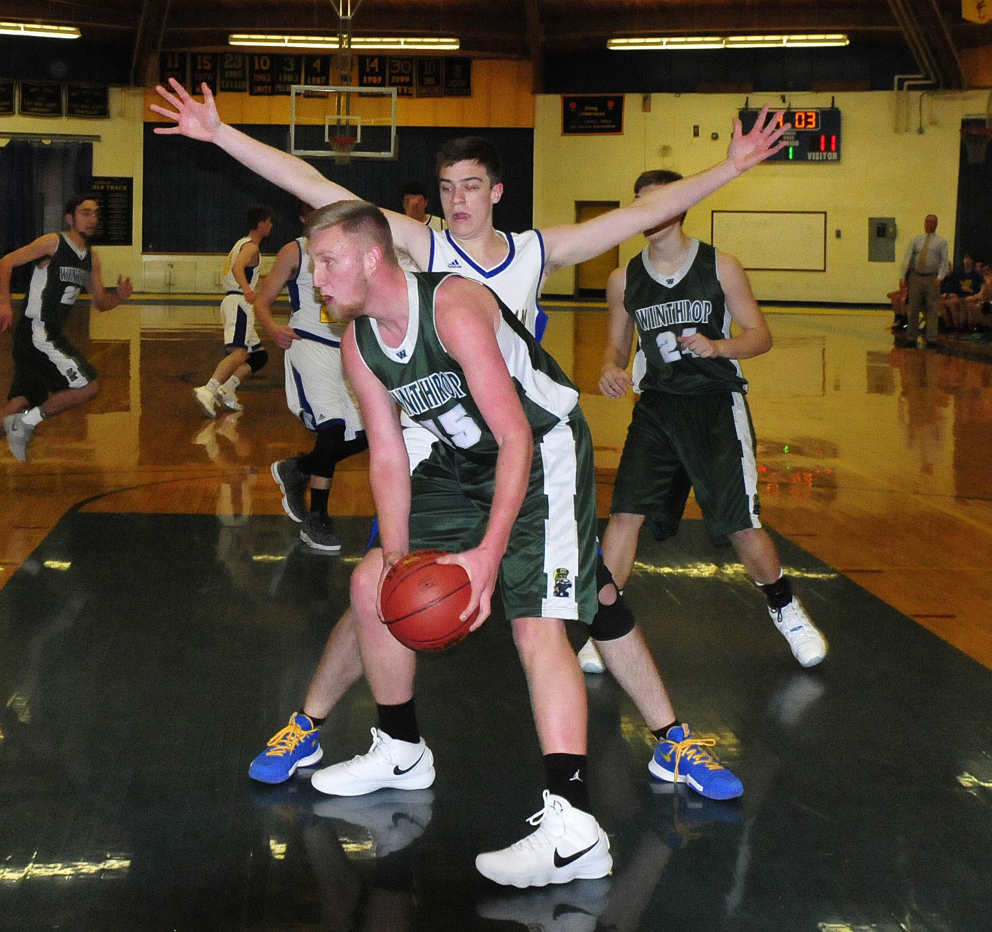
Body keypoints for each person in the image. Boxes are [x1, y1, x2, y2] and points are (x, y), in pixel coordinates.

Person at [150, 79, 788, 800]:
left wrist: (731, 167)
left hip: (527, 448)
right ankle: (318, 723)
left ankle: (670, 740)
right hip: (440, 454)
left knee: (595, 598)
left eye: (471, 187)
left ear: (496, 192)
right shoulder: (416, 243)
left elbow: (642, 211)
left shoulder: (536, 253)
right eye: (448, 186)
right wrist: (220, 134)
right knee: (380, 589)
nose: (457, 201)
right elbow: (316, 184)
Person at [309, 199, 610, 888]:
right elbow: (386, 455)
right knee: (369, 586)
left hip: (543, 451)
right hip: (460, 460)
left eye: (327, 262)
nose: (316, 278)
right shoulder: (358, 342)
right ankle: (400, 748)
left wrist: (485, 556)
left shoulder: (453, 309)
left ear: (369, 257)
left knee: (537, 630)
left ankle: (574, 827)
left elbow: (516, 438)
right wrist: (393, 553)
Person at [581, 169, 827, 681]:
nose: (644, 213)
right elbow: (616, 346)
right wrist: (610, 369)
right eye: (638, 203)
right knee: (625, 513)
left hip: (715, 403)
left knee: (739, 522)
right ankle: (604, 621)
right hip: (657, 408)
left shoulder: (721, 267)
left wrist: (720, 346)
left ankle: (786, 609)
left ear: (679, 206)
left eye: (656, 202)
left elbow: (760, 336)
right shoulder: (623, 278)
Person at [252, 203, 367, 551]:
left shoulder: (351, 249)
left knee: (368, 435)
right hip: (308, 344)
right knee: (331, 428)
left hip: (346, 349)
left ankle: (298, 469)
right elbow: (262, 299)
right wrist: (271, 327)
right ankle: (316, 518)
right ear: (303, 218)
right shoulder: (294, 251)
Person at [0, 195, 133, 462]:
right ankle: (26, 423)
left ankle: (22, 419)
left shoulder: (91, 258)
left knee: (20, 402)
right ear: (70, 218)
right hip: (38, 332)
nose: (92, 219)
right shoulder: (53, 243)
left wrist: (120, 297)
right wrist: (5, 304)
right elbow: (6, 263)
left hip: (41, 336)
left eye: (95, 214)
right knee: (89, 387)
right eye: (85, 213)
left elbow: (101, 303)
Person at [193, 206, 273, 417]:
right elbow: (238, 268)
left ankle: (226, 389)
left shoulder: (241, 243)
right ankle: (208, 390)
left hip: (235, 302)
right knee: (238, 353)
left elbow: (241, 270)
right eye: (269, 222)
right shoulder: (251, 247)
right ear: (261, 224)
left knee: (259, 355)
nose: (271, 225)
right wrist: (247, 289)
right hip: (239, 303)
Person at [899, 214, 949, 346]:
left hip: (932, 278)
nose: (930, 224)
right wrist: (902, 276)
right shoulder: (916, 239)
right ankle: (911, 338)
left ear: (936, 224)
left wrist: (940, 277)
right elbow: (907, 258)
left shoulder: (941, 241)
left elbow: (944, 260)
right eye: (927, 221)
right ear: (924, 223)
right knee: (913, 307)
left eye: (933, 222)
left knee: (932, 309)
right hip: (916, 276)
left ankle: (932, 339)